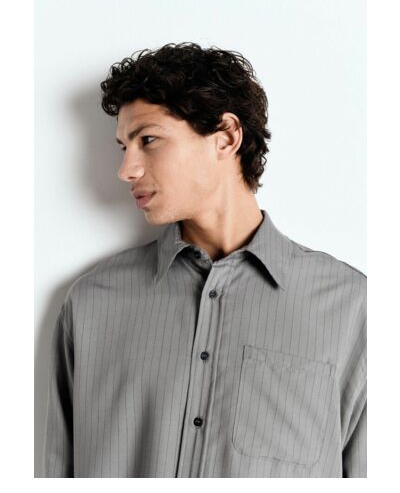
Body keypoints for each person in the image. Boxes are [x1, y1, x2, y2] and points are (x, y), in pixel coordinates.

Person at [43, 42, 366, 478]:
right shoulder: (92, 304)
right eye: (123, 147)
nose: (126, 169)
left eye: (148, 139)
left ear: (226, 137)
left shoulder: (351, 308)